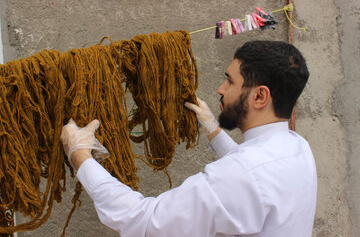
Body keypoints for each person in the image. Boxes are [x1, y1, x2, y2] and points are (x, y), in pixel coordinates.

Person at [60, 40, 317, 237]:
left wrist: (80, 154)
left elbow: (145, 221)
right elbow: (255, 178)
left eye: (229, 81)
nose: (220, 89)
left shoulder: (239, 176)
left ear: (260, 97)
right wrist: (213, 130)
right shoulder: (297, 148)